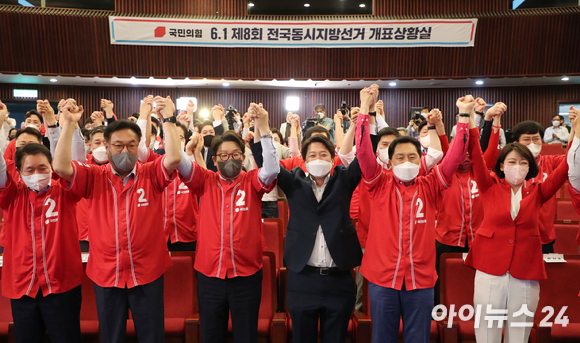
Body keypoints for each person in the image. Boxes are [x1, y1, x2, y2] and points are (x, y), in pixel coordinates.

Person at [53, 96, 182, 343]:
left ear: (139, 146)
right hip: (106, 274)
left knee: (152, 336)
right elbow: (60, 167)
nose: (125, 151)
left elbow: (174, 157)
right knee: (112, 337)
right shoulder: (93, 176)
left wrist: (169, 120)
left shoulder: (151, 173)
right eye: (118, 145)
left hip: (147, 273)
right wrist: (68, 125)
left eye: (132, 145)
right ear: (107, 147)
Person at [356, 94, 473, 343]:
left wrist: (464, 116)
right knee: (382, 338)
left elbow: (455, 156)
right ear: (389, 161)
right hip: (382, 279)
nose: (406, 162)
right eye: (400, 157)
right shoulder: (378, 182)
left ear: (421, 160)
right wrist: (365, 110)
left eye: (412, 157)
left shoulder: (430, 185)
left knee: (418, 338)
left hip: (420, 280)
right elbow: (364, 153)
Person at [177, 103, 279, 343]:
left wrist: (262, 126)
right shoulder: (205, 180)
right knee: (211, 335)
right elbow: (179, 162)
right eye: (223, 155)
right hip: (210, 276)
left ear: (243, 157)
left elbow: (272, 168)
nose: (229, 159)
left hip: (246, 276)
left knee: (246, 336)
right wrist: (185, 147)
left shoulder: (253, 181)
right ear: (215, 159)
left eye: (235, 155)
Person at [465, 113, 569, 343]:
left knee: (519, 333)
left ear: (530, 167)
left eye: (523, 163)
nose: (518, 166)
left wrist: (576, 133)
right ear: (502, 166)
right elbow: (475, 154)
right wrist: (470, 119)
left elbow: (566, 168)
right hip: (490, 268)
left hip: (525, 270)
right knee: (487, 331)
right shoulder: (489, 185)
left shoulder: (539, 190)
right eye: (511, 162)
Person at [500, 120, 565, 253]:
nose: (532, 143)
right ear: (516, 143)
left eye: (536, 139)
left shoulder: (551, 162)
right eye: (526, 139)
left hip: (543, 235)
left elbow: (572, 159)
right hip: (513, 235)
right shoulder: (508, 166)